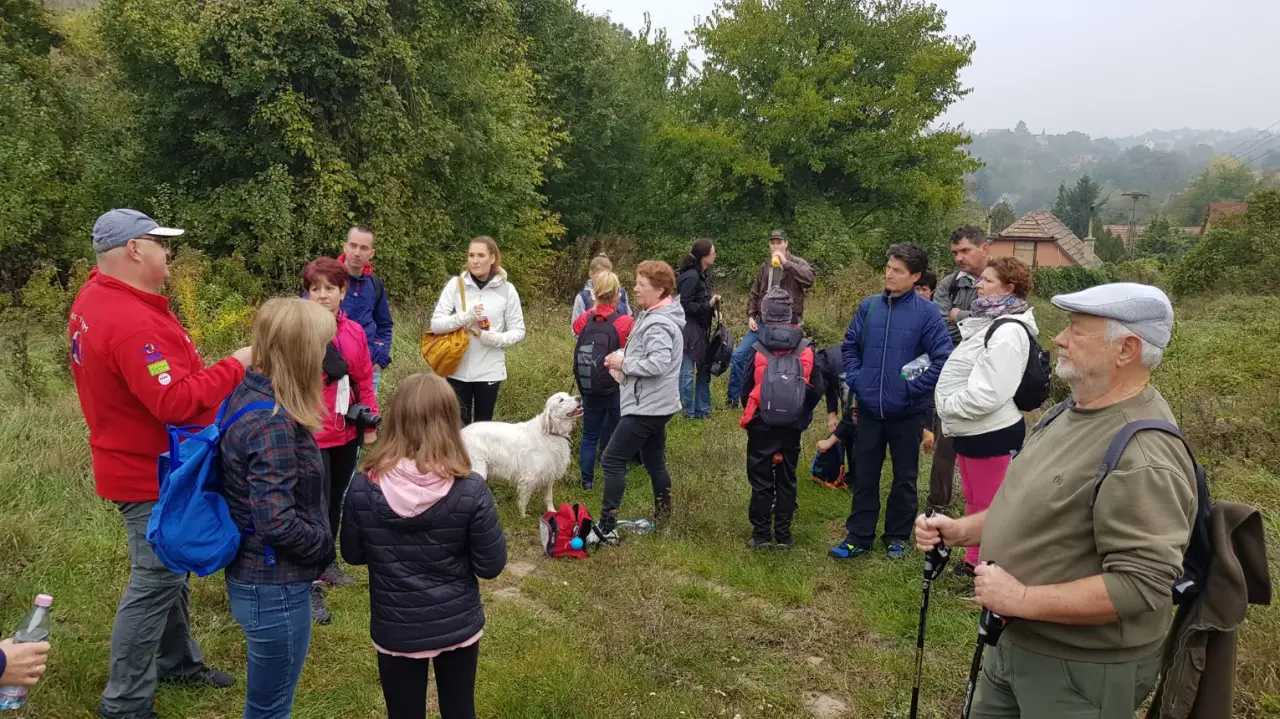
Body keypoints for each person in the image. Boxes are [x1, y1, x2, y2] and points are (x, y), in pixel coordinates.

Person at [916, 282, 1196, 718]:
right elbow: (1034, 504)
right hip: (1018, 640)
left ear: (1126, 349)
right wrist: (962, 531)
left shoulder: (1143, 454)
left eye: (1077, 330)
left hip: (1081, 671)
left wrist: (1021, 599)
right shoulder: (1071, 409)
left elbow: (1143, 584)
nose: (1059, 339)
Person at [68, 209, 248, 719]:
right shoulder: (129, 320)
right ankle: (124, 702)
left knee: (170, 566)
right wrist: (238, 363)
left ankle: (178, 663)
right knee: (155, 580)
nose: (168, 254)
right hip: (150, 470)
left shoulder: (99, 298)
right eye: (161, 244)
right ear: (134, 250)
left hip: (145, 460)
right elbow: (174, 402)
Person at [341, 373, 507, 719]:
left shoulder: (362, 487)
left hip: (395, 627)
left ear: (395, 419)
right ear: (451, 421)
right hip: (457, 623)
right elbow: (490, 566)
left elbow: (353, 555)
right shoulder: (471, 490)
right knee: (460, 709)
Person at [219, 298, 337, 719]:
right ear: (302, 352)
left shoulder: (248, 392)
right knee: (270, 709)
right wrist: (324, 545)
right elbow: (277, 523)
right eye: (322, 345)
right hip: (274, 586)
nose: (327, 355)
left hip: (256, 578)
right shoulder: (272, 424)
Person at [829, 243, 952, 561]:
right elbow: (850, 346)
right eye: (888, 267)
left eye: (897, 270)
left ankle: (896, 537)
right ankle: (859, 536)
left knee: (905, 478)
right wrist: (859, 381)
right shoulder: (869, 307)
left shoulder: (927, 314)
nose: (889, 274)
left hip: (906, 414)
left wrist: (910, 386)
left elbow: (940, 357)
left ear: (915, 276)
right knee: (865, 475)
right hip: (869, 411)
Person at [932, 257, 1037, 580]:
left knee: (991, 506)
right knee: (976, 500)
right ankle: (972, 562)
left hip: (992, 431)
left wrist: (949, 405)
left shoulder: (1008, 331)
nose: (979, 284)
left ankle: (987, 569)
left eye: (988, 280)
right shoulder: (991, 320)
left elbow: (991, 392)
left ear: (1009, 287)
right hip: (974, 430)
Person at [303, 258, 380, 618]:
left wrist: (369, 424)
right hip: (310, 433)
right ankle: (308, 582)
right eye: (315, 288)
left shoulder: (353, 332)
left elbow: (364, 378)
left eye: (329, 289)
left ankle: (327, 562)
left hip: (344, 431)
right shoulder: (297, 330)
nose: (322, 295)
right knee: (310, 506)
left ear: (342, 292)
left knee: (335, 501)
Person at [596, 261, 685, 541]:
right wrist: (621, 360)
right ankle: (662, 522)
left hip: (648, 406)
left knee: (611, 459)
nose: (633, 288)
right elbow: (647, 354)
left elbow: (658, 363)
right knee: (654, 462)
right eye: (635, 282)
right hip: (656, 404)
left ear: (660, 290)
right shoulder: (653, 314)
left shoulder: (659, 322)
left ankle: (607, 528)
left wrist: (625, 362)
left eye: (641, 285)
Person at [738, 289, 819, 550]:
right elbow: (815, 388)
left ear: (764, 314)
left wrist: (754, 414)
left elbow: (744, 387)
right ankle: (783, 536)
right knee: (787, 479)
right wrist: (800, 415)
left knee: (761, 481)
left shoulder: (756, 347)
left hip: (762, 423)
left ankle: (761, 536)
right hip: (792, 426)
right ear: (791, 314)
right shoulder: (807, 348)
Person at [430, 236, 527, 425]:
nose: (475, 260)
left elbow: (519, 330)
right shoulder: (456, 285)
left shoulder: (507, 289)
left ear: (493, 258)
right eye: (471, 255)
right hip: (456, 368)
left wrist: (493, 338)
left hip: (490, 371)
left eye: (481, 255)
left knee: (483, 429)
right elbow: (436, 324)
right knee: (459, 428)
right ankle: (459, 456)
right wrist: (466, 317)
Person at [928, 226, 991, 511]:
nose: (958, 258)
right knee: (945, 441)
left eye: (965, 251)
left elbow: (1006, 321)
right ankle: (938, 503)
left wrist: (959, 316)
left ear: (984, 248)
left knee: (989, 442)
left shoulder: (1003, 277)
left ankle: (987, 504)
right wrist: (977, 321)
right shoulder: (949, 283)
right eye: (955, 252)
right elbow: (940, 326)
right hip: (954, 374)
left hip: (990, 375)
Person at [726, 230, 815, 408]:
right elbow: (755, 293)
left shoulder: (797, 263)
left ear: (786, 244)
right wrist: (751, 315)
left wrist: (786, 263)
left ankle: (792, 395)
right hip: (763, 322)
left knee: (788, 361)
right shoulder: (765, 266)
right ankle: (733, 398)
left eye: (779, 242)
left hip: (789, 323)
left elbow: (810, 279)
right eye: (772, 243)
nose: (775, 246)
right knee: (739, 356)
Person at [571, 272, 635, 489]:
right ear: (617, 295)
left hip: (589, 386)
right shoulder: (625, 322)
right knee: (619, 431)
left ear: (595, 293)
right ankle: (616, 472)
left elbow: (576, 328)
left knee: (589, 435)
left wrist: (594, 306)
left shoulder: (584, 320)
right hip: (616, 386)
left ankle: (587, 481)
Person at [338, 226, 393, 396]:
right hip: (330, 372)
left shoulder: (375, 284)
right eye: (353, 246)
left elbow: (385, 324)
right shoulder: (325, 279)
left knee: (364, 421)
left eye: (363, 248)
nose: (357, 252)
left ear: (372, 253)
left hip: (367, 371)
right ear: (345, 247)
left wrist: (379, 360)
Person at [676, 238, 720, 419]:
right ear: (704, 256)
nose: (715, 256)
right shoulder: (691, 276)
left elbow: (701, 301)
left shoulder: (703, 273)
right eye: (713, 253)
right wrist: (707, 305)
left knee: (703, 369)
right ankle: (688, 412)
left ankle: (703, 410)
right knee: (687, 372)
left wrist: (714, 309)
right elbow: (683, 304)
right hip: (688, 330)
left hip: (701, 328)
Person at [812, 346, 855, 490]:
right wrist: (832, 416)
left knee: (857, 432)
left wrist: (830, 441)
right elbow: (830, 389)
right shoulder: (825, 361)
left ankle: (860, 481)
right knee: (849, 433)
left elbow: (852, 413)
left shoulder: (841, 368)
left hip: (869, 404)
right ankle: (853, 477)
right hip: (853, 395)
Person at [572, 254, 631, 325]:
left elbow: (630, 320)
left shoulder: (621, 293)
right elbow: (575, 330)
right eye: (600, 276)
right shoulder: (583, 297)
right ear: (590, 274)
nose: (603, 279)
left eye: (606, 275)